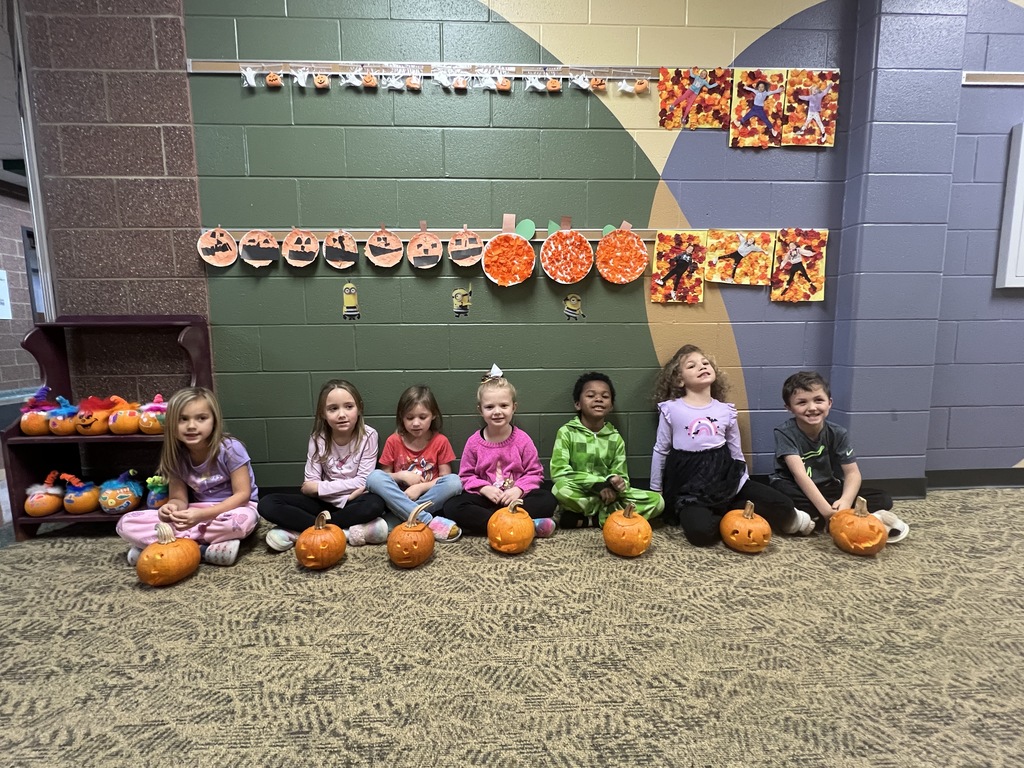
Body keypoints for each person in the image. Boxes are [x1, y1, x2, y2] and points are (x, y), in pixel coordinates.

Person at [650, 345, 814, 546]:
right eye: (692, 366)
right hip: (690, 486)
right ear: (679, 379)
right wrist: (655, 489)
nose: (701, 367)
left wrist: (742, 481)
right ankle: (730, 512)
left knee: (785, 503)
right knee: (700, 534)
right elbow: (661, 450)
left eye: (705, 363)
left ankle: (750, 507)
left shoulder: (725, 410)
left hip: (725, 476)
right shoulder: (671, 409)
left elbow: (736, 451)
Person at [117, 386, 259, 567]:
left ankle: (166, 545)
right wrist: (170, 509)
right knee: (126, 524)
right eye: (183, 419)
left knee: (239, 523)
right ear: (171, 424)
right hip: (196, 512)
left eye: (201, 418)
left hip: (233, 508)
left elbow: (242, 495)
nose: (191, 426)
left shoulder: (231, 449)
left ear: (214, 421)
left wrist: (203, 515)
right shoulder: (176, 455)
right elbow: (179, 499)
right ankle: (204, 550)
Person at [769, 371, 909, 541]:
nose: (812, 407)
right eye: (802, 402)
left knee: (883, 499)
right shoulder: (785, 432)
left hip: (827, 486)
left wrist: (845, 501)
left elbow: (852, 473)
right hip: (794, 486)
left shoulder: (838, 432)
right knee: (781, 500)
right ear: (789, 408)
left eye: (818, 400)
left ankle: (818, 519)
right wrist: (828, 511)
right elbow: (800, 476)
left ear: (829, 403)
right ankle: (853, 517)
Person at [258, 379, 388, 551]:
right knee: (267, 503)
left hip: (353, 501)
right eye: (333, 408)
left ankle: (308, 530)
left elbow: (363, 481)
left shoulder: (368, 436)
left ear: (359, 409)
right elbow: (309, 484)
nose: (342, 414)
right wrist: (322, 490)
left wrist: (322, 489)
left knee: (375, 504)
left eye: (349, 407)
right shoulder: (318, 438)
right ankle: (341, 530)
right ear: (322, 413)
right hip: (322, 503)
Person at [443, 368, 557, 537]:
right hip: (486, 502)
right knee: (452, 506)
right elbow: (466, 476)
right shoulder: (474, 442)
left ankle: (500, 525)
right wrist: (484, 488)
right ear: (481, 410)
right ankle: (520, 525)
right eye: (489, 407)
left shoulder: (522, 440)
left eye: (504, 405)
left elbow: (535, 473)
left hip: (516, 499)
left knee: (548, 498)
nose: (497, 411)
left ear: (513, 407)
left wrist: (518, 489)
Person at [551, 372, 664, 528]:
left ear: (611, 406)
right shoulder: (567, 433)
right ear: (578, 404)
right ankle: (611, 516)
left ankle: (592, 520)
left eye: (605, 396)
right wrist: (599, 485)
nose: (598, 399)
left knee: (657, 502)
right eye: (591, 395)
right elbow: (559, 473)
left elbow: (623, 478)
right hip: (582, 492)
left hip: (610, 496)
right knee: (559, 489)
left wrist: (616, 484)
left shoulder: (615, 438)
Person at [365, 385, 464, 541]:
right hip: (398, 498)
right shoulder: (394, 441)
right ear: (401, 417)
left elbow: (446, 478)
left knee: (455, 482)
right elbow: (385, 476)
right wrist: (401, 475)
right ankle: (427, 521)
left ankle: (396, 520)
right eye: (410, 418)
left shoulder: (440, 441)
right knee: (374, 477)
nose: (416, 423)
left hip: (429, 498)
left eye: (422, 417)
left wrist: (420, 487)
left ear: (433, 416)